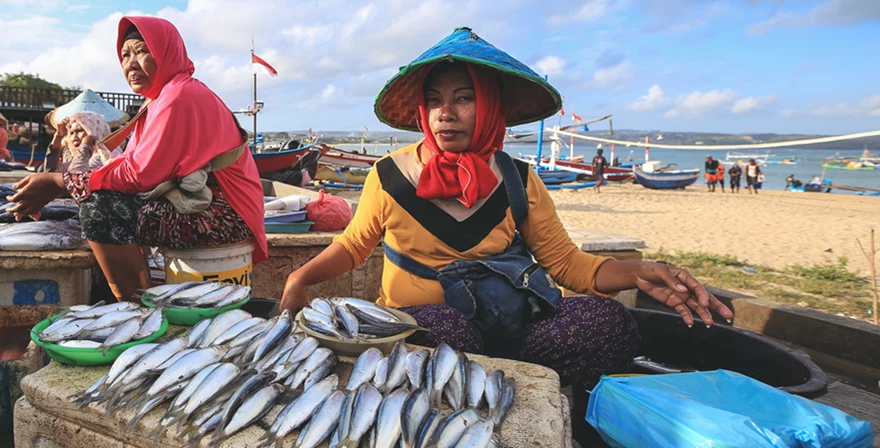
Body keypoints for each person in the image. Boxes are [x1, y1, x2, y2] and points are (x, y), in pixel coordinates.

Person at [278, 28, 732, 391]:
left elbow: (569, 265)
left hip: (514, 326)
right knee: (440, 335)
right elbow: (355, 245)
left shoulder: (519, 178)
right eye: (434, 100)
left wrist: (639, 273)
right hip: (429, 330)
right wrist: (300, 278)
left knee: (608, 322)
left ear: (490, 105)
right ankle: (484, 388)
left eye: (464, 98)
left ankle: (517, 388)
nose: (445, 113)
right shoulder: (389, 175)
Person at [7, 16, 268, 301]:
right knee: (102, 198)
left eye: (142, 51)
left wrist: (59, 182)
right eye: (124, 55)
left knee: (101, 212)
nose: (130, 63)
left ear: (167, 52)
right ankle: (144, 296)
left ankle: (137, 308)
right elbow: (130, 162)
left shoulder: (179, 96)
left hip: (226, 215)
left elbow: (138, 176)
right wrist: (70, 183)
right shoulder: (160, 98)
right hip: (208, 206)